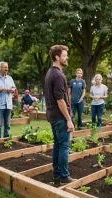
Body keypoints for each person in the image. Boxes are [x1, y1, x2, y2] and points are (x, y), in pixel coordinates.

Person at [44, 45, 76, 184]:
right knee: (64, 146)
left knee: (57, 144)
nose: (66, 57)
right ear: (57, 57)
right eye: (64, 55)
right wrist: (69, 119)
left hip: (52, 115)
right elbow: (60, 100)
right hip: (60, 116)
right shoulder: (58, 75)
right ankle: (64, 176)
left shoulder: (50, 73)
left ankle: (56, 173)